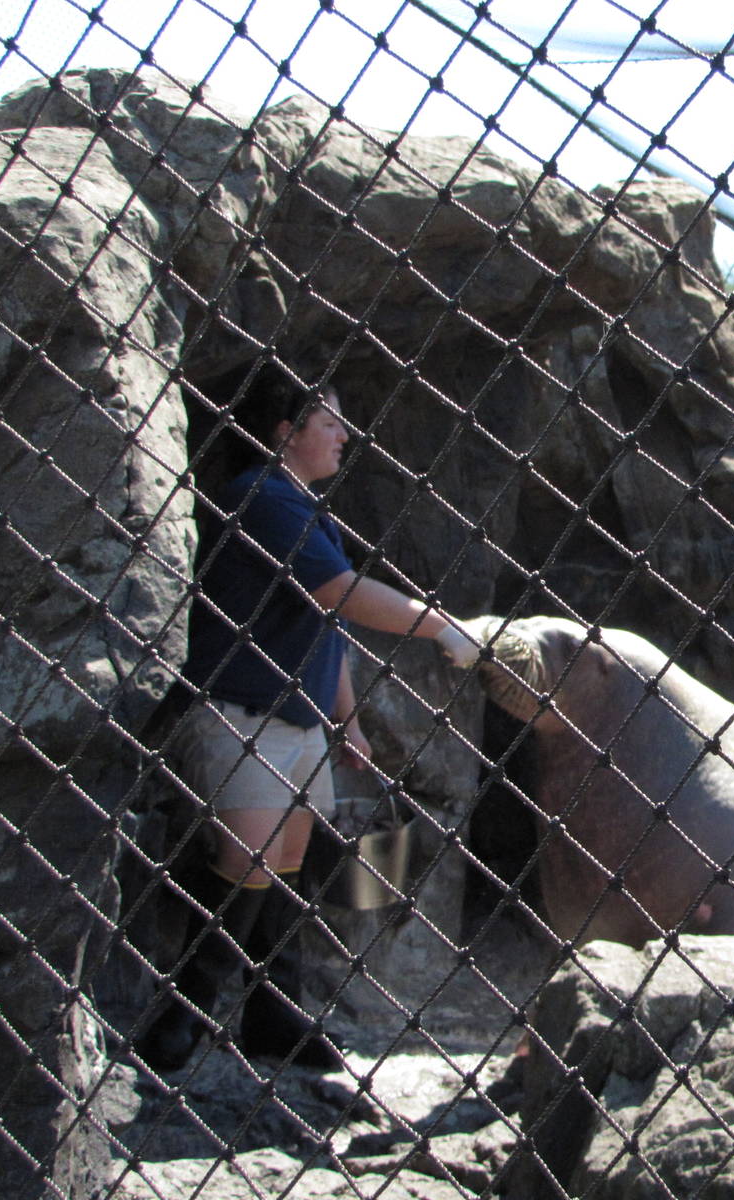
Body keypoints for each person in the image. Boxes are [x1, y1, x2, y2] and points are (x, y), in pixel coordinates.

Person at [135, 362, 484, 1072]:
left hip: (293, 720)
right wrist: (439, 624)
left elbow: (326, 627)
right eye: (329, 422)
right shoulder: (261, 497)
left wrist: (346, 721)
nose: (343, 436)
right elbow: (340, 594)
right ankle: (182, 1017)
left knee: (284, 870)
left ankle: (272, 1015)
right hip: (244, 712)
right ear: (285, 432)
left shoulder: (304, 509)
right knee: (250, 863)